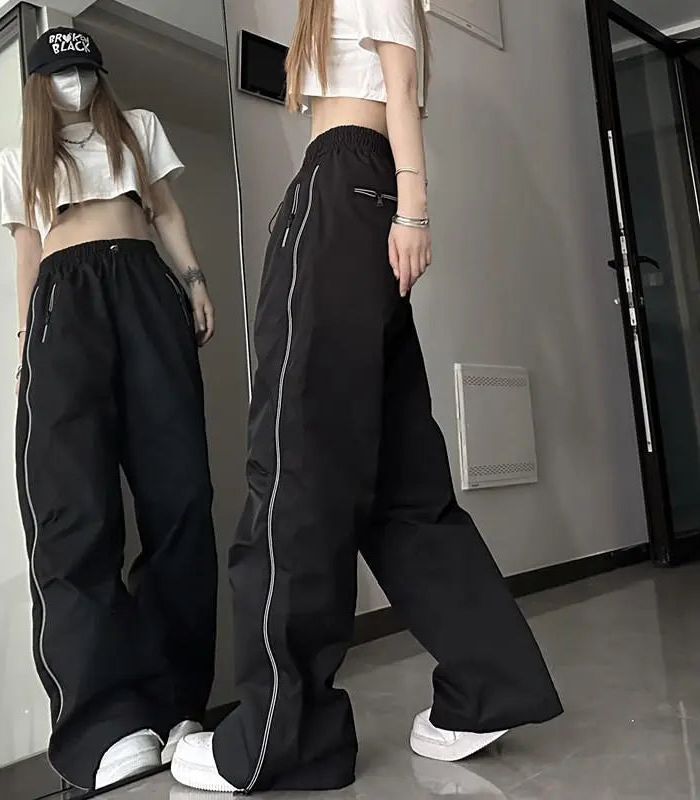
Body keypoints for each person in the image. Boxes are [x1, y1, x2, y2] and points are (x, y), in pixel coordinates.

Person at [170, 0, 562, 793]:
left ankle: (281, 736)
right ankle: (490, 682)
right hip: (364, 195)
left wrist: (414, 206)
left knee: (295, 462)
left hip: (343, 193)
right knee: (401, 485)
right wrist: (399, 204)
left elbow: (399, 79)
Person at [0, 27, 218, 792]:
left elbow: (166, 213)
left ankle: (179, 704)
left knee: (179, 496)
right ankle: (104, 723)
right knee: (73, 509)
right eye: (61, 73)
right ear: (39, 84)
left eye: (85, 70)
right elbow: (27, 256)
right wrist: (25, 352)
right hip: (64, 307)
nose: (76, 83)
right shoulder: (17, 159)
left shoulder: (138, 128)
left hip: (144, 289)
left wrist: (193, 280)